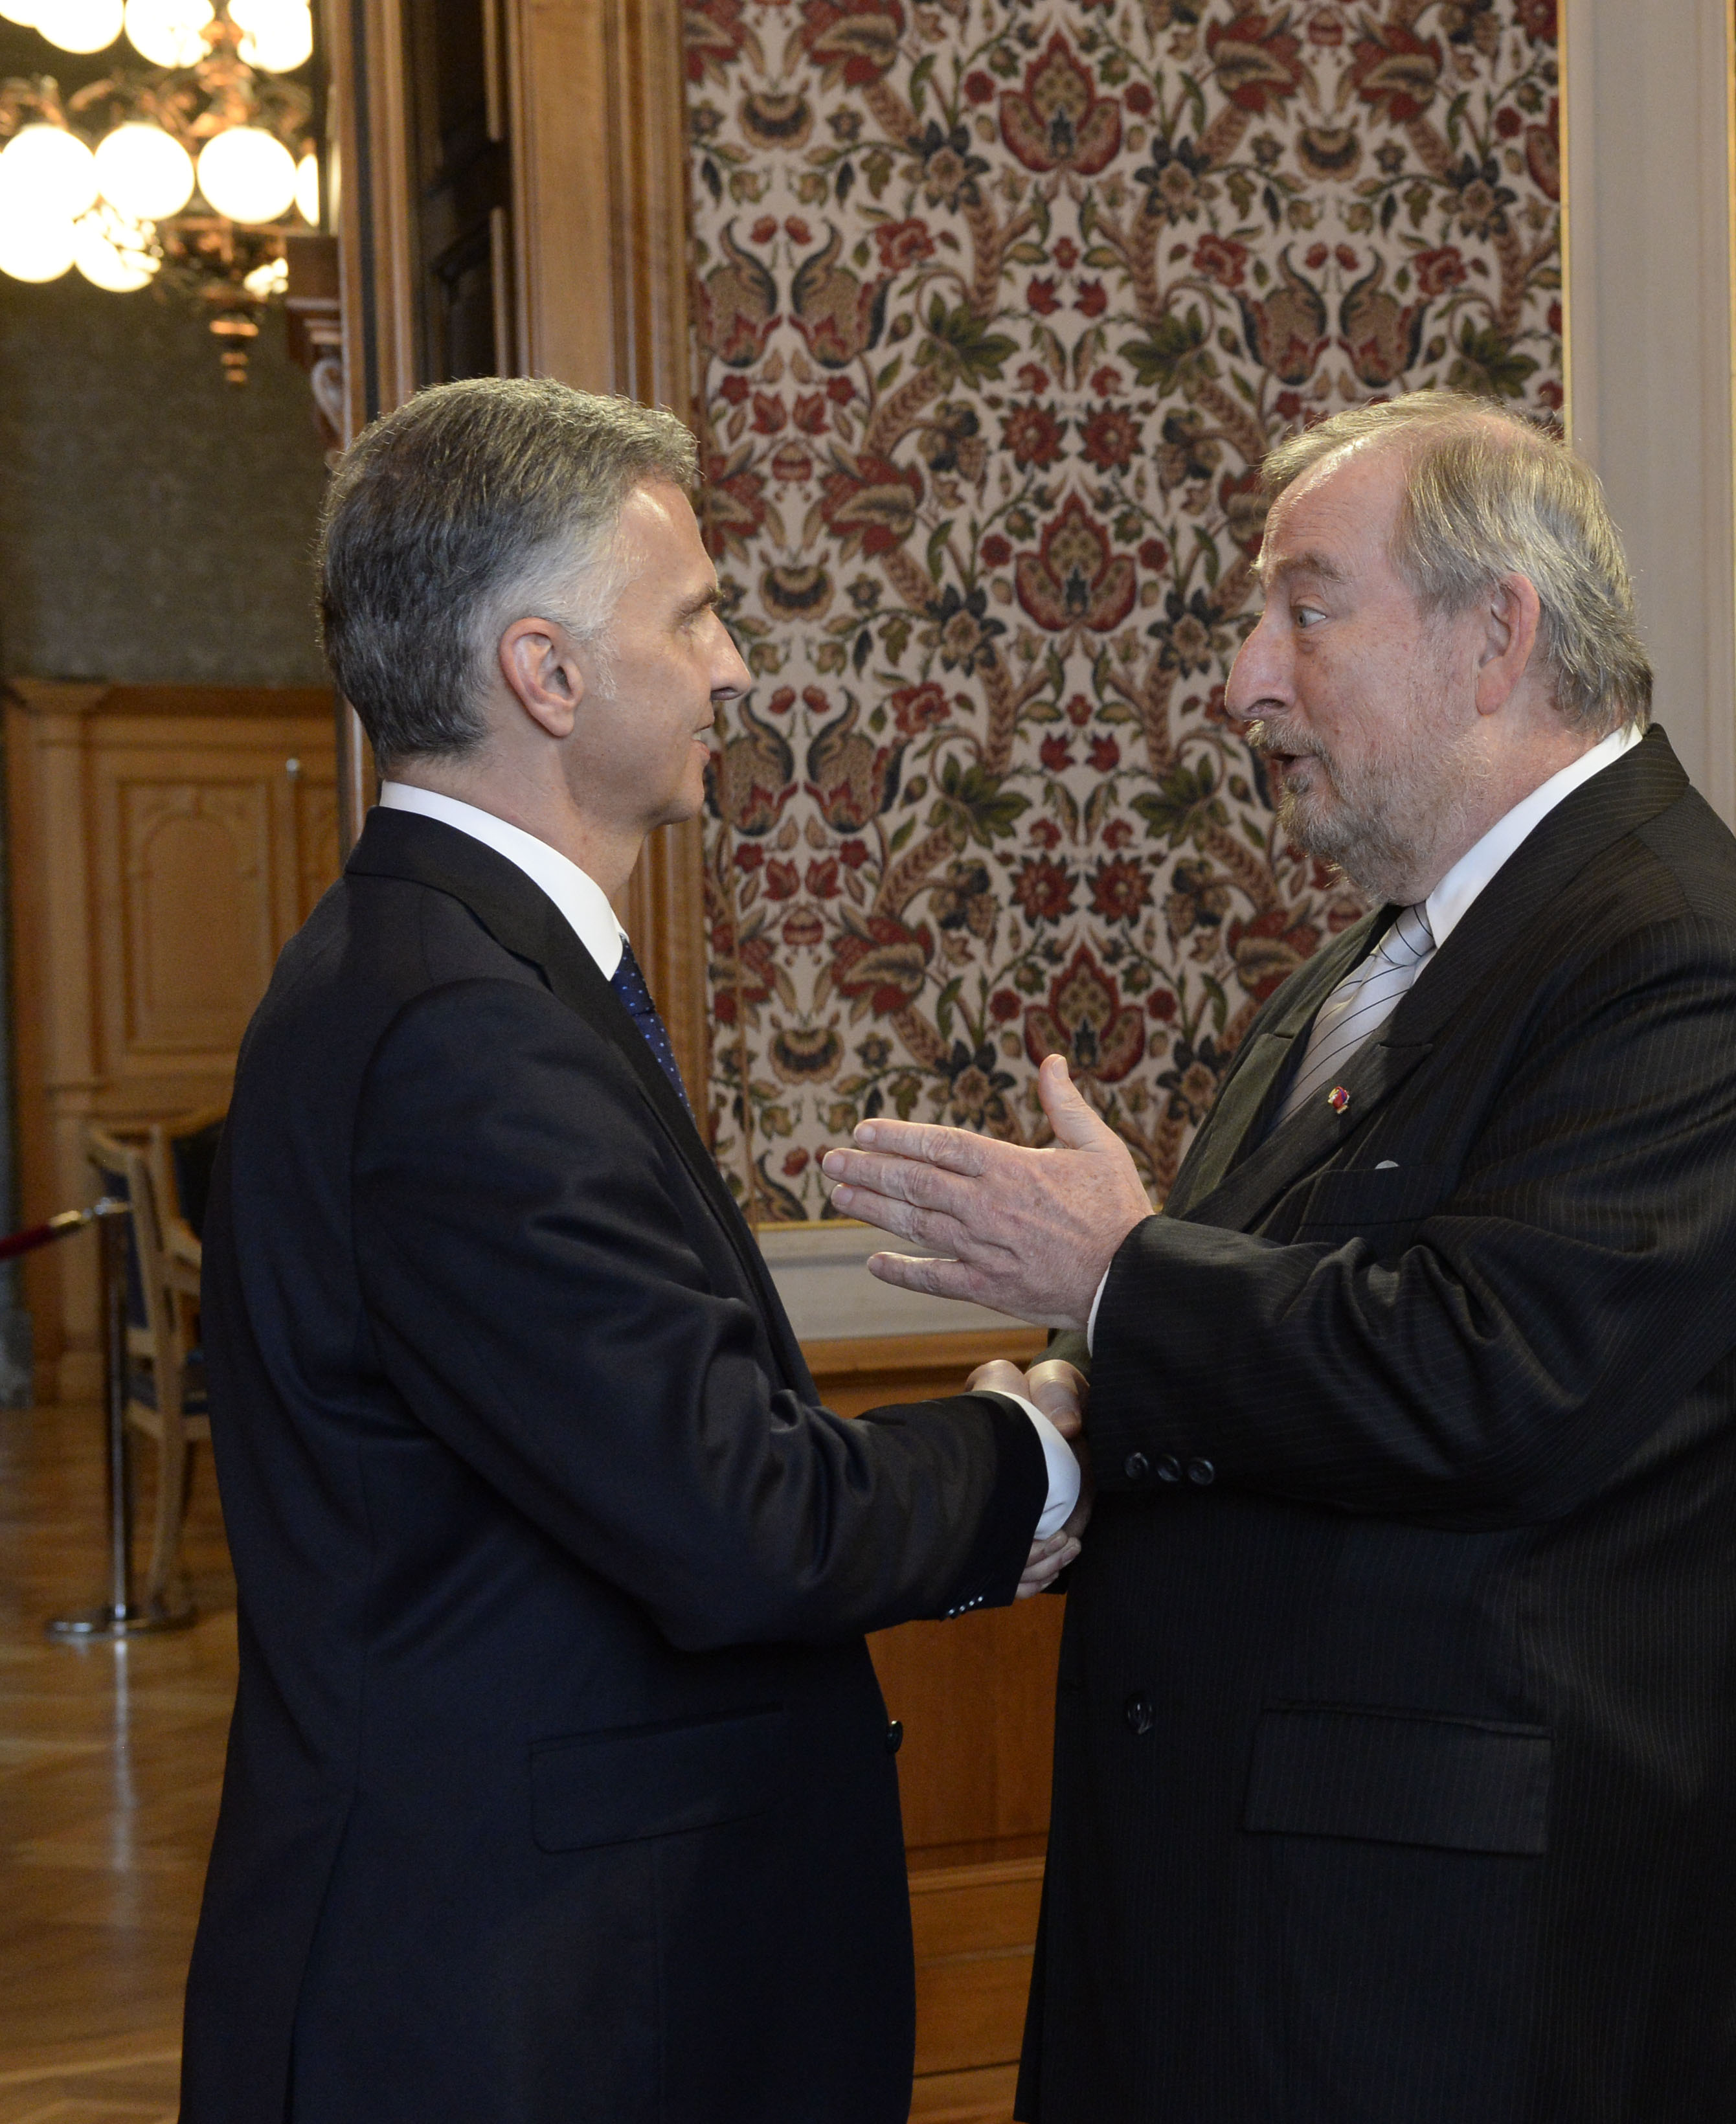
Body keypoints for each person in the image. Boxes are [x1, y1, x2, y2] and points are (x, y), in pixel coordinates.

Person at [816, 390, 1736, 2123]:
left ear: (1493, 636)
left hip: (1436, 1957)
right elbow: (1297, 1319)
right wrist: (1089, 1381)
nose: (1244, 679)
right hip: (1261, 1903)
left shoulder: (1681, 962)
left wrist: (1119, 1281)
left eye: (1303, 609)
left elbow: (1494, 1374)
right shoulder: (1385, 957)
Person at [185, 378, 1083, 2124]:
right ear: (549, 674)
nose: (735, 666)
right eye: (695, 613)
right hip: (521, 2005)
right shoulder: (464, 1031)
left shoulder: (452, 973)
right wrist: (1032, 1449)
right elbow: (742, 1525)